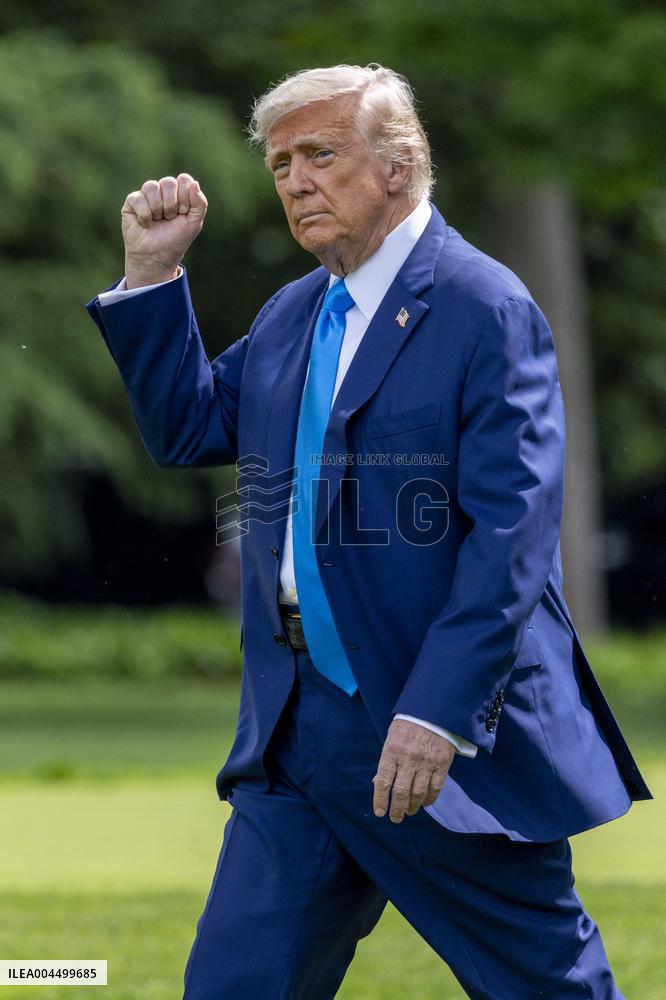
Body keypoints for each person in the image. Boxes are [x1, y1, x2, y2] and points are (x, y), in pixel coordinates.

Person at [85, 64, 651, 999]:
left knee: (546, 988)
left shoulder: (486, 306)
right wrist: (152, 275)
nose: (296, 181)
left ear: (399, 164)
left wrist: (438, 713)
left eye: (320, 154)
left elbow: (511, 538)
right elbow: (189, 427)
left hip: (435, 734)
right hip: (294, 732)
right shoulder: (294, 311)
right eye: (280, 165)